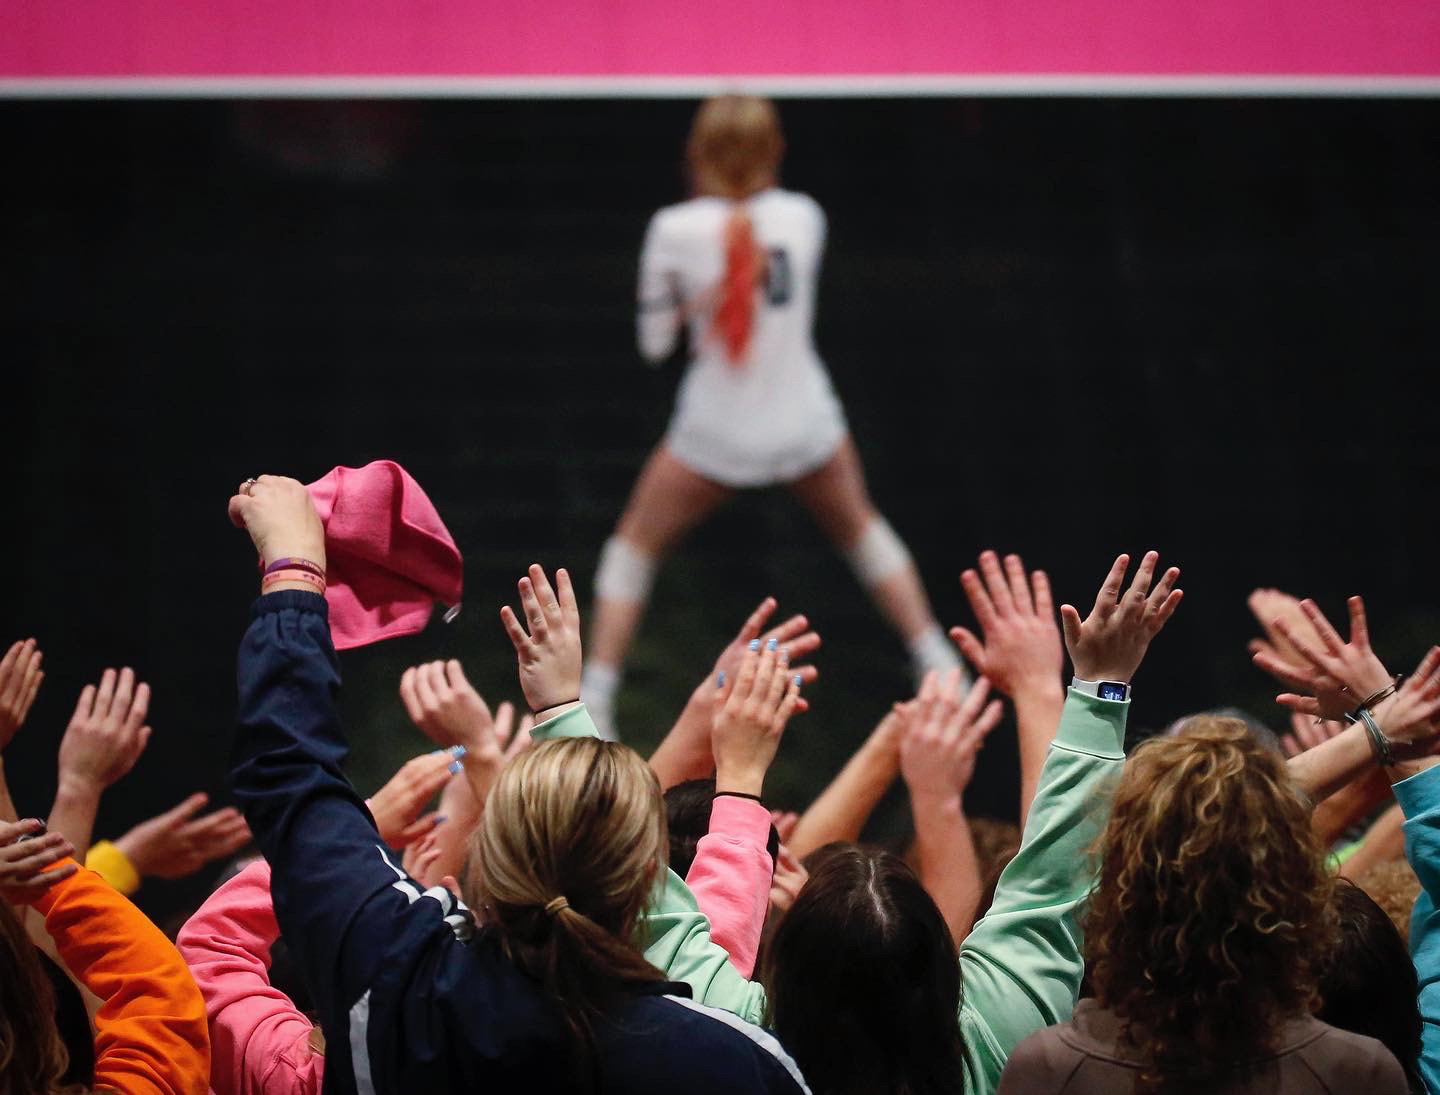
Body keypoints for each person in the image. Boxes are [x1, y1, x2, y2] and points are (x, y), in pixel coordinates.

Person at [224, 474, 809, 1094]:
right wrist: (738, 786)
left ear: (485, 853)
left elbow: (289, 772)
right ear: (649, 879)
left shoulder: (397, 982)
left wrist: (294, 568)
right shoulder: (733, 1061)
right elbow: (699, 950)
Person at [635, 551, 1181, 1095]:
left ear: (779, 966)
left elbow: (625, 877)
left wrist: (738, 769)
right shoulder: (1001, 1040)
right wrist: (1095, 686)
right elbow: (1054, 880)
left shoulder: (728, 1043)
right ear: (948, 964)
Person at [583, 94, 960, 738]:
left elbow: (653, 348)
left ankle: (596, 694)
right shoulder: (804, 217)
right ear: (773, 150)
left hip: (715, 432)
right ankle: (936, 657)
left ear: (696, 153)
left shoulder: (673, 229)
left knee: (633, 545)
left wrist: (693, 304)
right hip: (801, 422)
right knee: (861, 529)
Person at [995, 630, 1440, 1095]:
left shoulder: (1048, 1067)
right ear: (1302, 890)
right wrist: (1378, 726)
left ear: (1115, 884)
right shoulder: (1357, 1072)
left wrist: (1097, 685)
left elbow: (1047, 882)